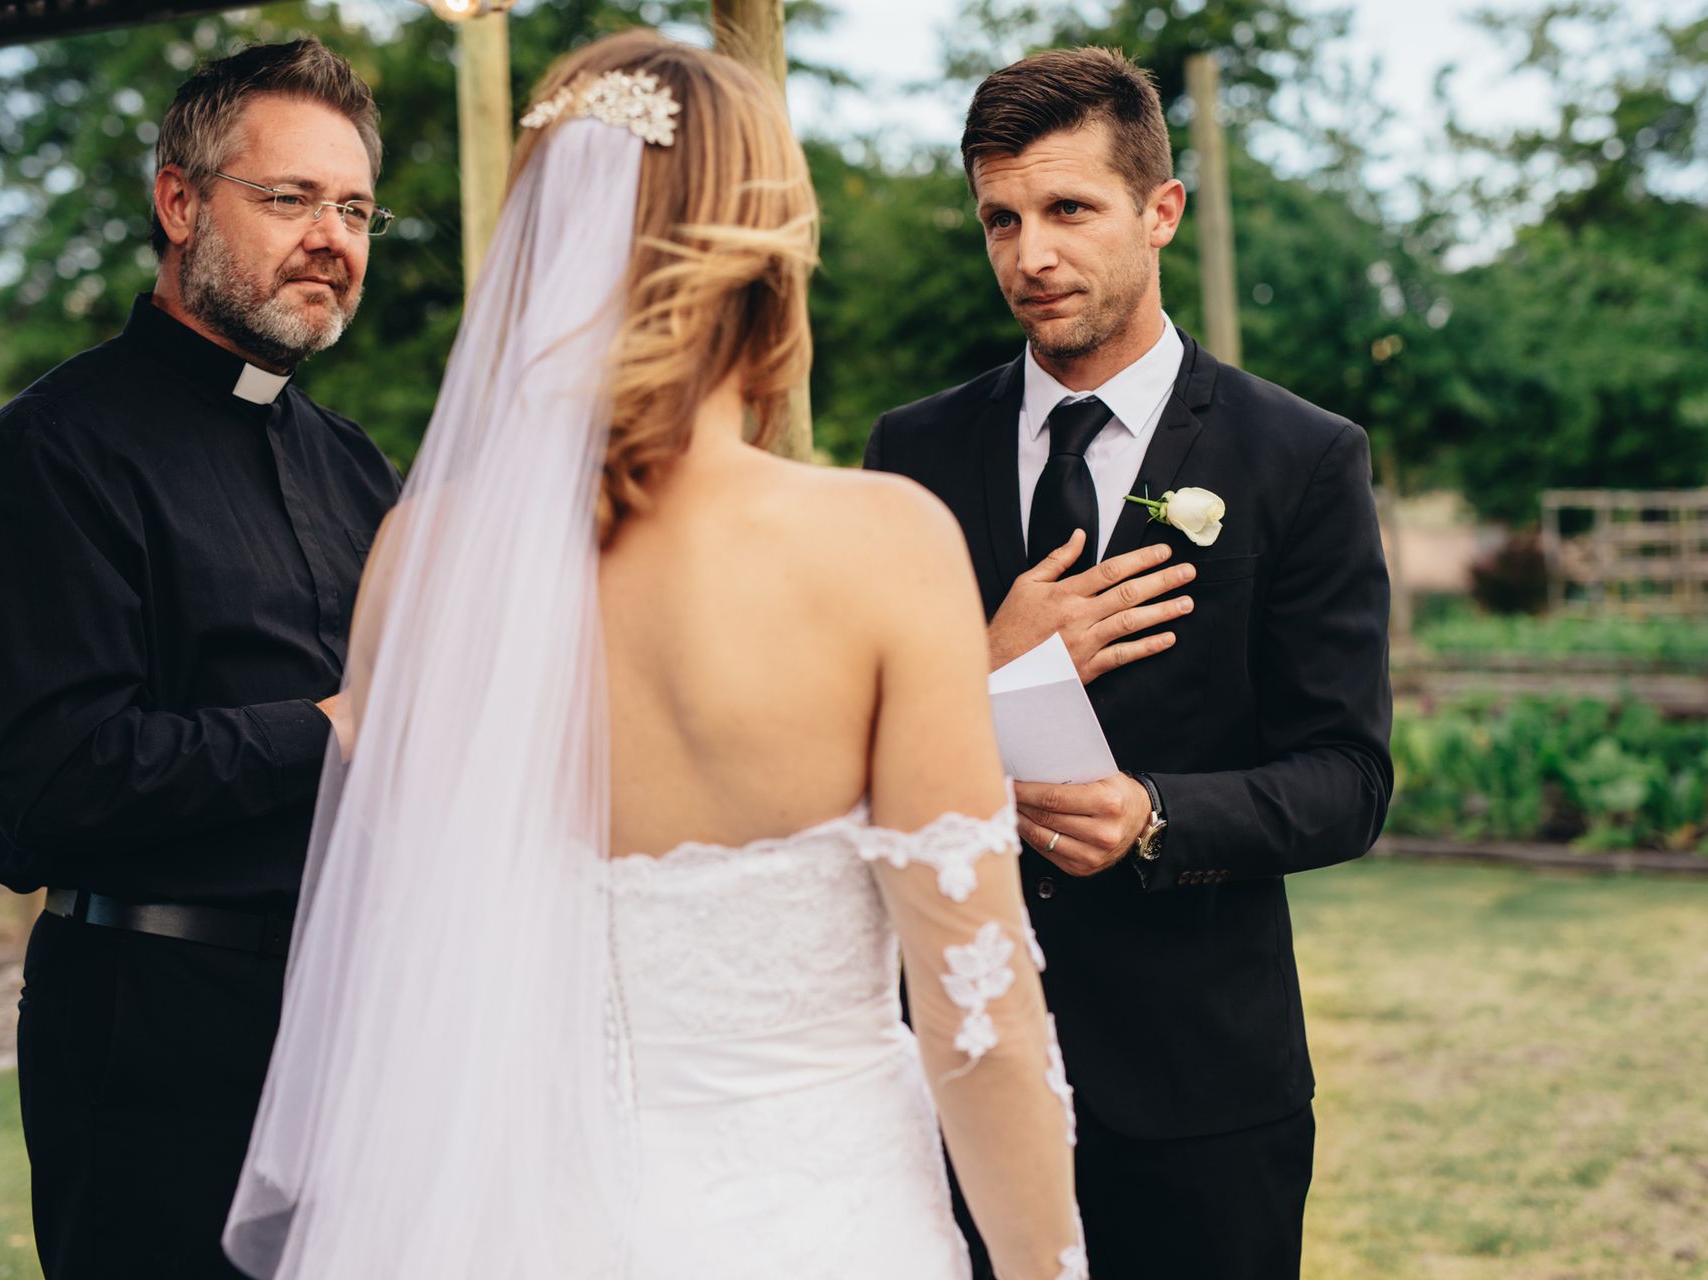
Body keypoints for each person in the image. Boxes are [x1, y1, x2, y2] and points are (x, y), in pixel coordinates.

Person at [223, 30, 1084, 1280]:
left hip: (508, 1233)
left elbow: (413, 980)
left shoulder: (421, 559)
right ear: (762, 248)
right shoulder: (881, 545)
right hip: (821, 1230)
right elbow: (978, 1012)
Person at [864, 45, 1394, 1280]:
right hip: (954, 1062)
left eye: (1068, 210)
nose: (1029, 255)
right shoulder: (911, 450)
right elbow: (842, 737)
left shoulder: (1301, 459)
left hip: (1203, 1088)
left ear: (1162, 212)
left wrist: (1156, 815)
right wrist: (983, 652)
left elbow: (1348, 776)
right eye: (1001, 217)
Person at [0, 39, 400, 1280]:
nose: (331, 237)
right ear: (180, 202)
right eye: (291, 198)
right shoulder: (48, 451)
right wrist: (336, 726)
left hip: (359, 1033)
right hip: (153, 1044)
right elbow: (47, 787)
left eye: (353, 207)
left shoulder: (358, 465)